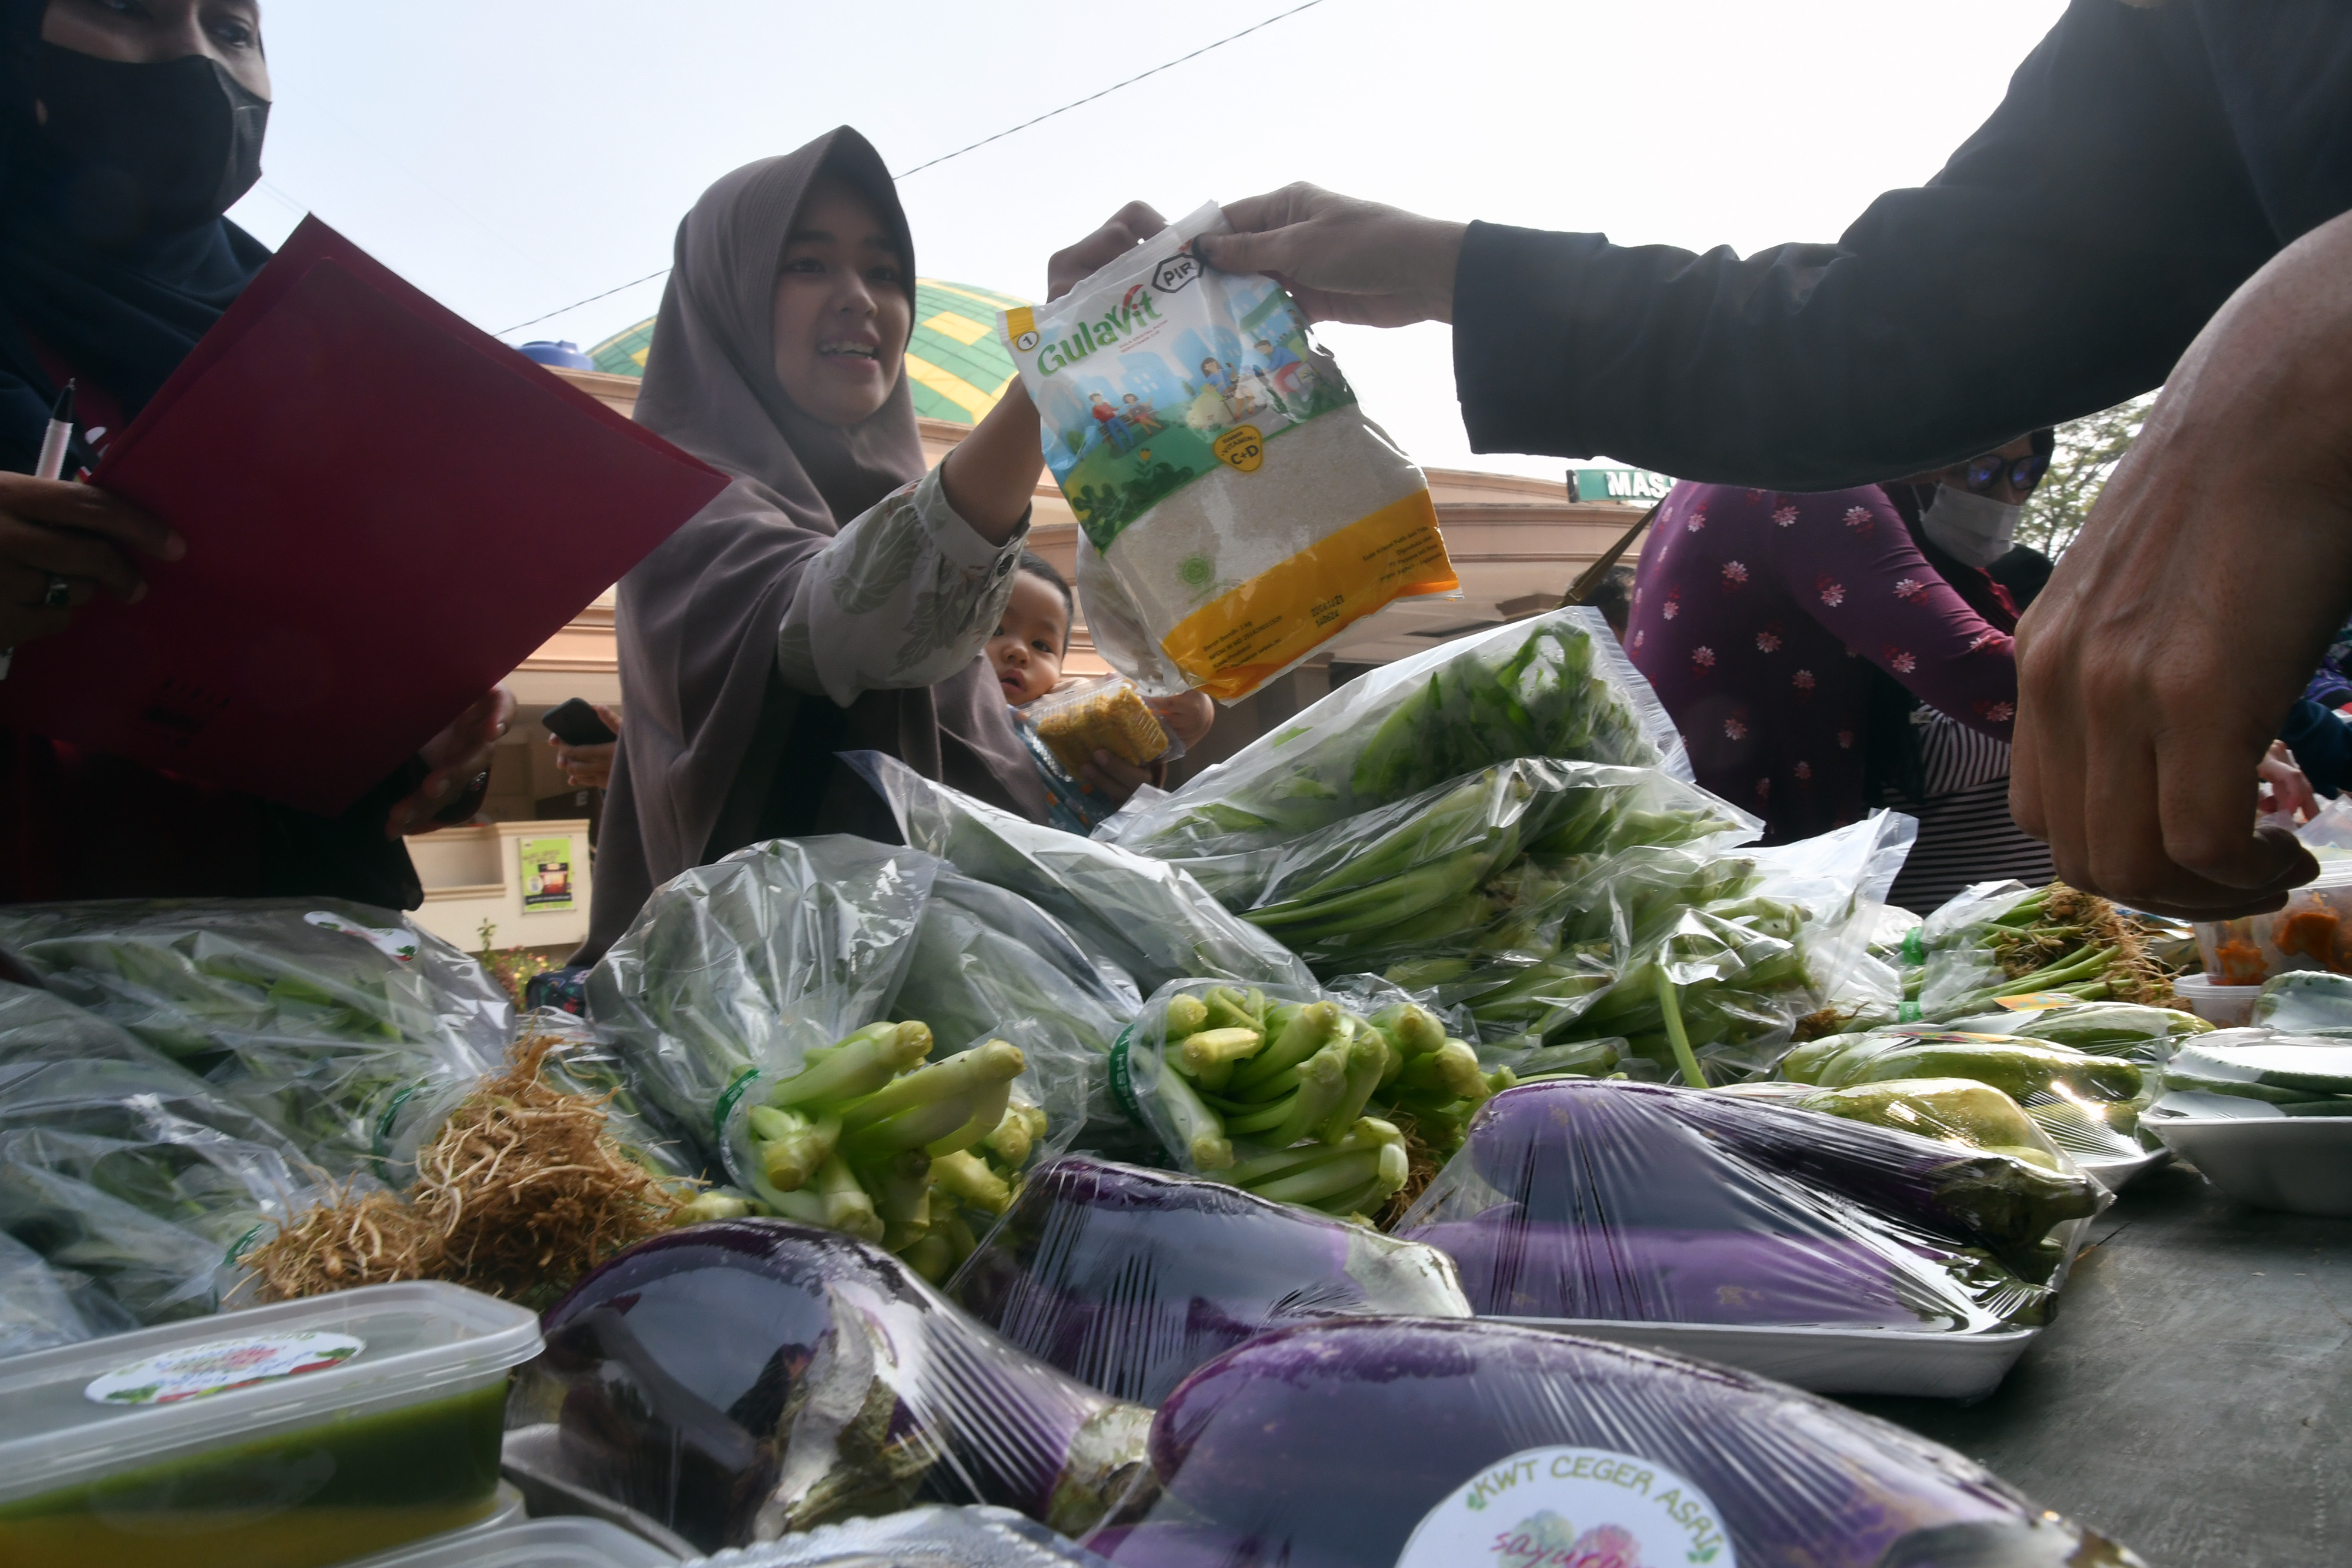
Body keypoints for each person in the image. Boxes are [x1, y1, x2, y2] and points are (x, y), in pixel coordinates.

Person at [1189, 1, 2352, 917]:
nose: (1999, 492)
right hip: (1758, 879)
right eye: (1986, 463)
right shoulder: (1805, 497)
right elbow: (1866, 332)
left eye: (2019, 471)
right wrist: (1451, 268)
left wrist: (2300, 345)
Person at [575, 129, 1162, 961]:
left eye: (884, 272)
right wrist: (1051, 366)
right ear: (729, 295)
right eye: (807, 264)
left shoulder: (915, 507)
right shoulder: (685, 508)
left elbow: (974, 777)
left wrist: (1095, 778)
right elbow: (862, 620)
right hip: (781, 1012)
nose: (859, 298)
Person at [0, 0, 508, 905]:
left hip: (288, 957)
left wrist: (424, 741)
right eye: (129, 9)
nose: (196, 61)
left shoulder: (315, 344)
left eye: (233, 30)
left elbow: (307, 682)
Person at [1625, 440, 2037, 859]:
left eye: (2025, 472)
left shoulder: (1734, 463)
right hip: (1739, 857)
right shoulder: (1812, 483)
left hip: (1680, 838)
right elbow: (1981, 676)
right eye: (1980, 463)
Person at [987, 551, 1212, 835]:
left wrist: (1194, 714)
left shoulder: (1060, 715)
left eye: (1041, 646)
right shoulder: (940, 694)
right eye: (996, 629)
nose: (1019, 652)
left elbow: (1142, 726)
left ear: (1059, 672)